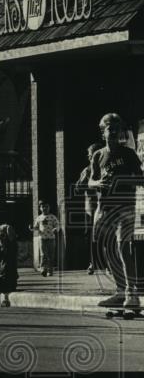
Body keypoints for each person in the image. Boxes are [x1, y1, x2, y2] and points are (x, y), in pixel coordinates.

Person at [88, 113, 142, 309]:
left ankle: (131, 293)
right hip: (104, 207)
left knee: (122, 247)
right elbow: (90, 181)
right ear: (103, 132)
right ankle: (120, 291)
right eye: (109, 128)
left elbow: (141, 179)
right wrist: (97, 183)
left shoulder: (128, 154)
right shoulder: (98, 155)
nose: (113, 132)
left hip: (124, 205)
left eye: (116, 129)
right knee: (107, 247)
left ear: (120, 132)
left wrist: (121, 182)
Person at [76, 142, 105, 275]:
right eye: (89, 155)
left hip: (106, 206)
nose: (89, 158)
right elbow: (78, 188)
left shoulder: (106, 167)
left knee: (107, 234)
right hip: (92, 209)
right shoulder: (87, 170)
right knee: (92, 236)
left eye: (90, 155)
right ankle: (93, 263)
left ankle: (108, 263)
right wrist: (87, 176)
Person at [32, 201, 60, 277]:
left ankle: (50, 271)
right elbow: (36, 227)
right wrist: (32, 228)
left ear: (49, 208)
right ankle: (43, 269)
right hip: (42, 238)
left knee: (51, 255)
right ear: (40, 208)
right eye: (42, 207)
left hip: (51, 238)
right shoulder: (39, 218)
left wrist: (56, 229)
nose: (44, 208)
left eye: (46, 207)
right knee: (43, 254)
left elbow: (57, 225)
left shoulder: (53, 217)